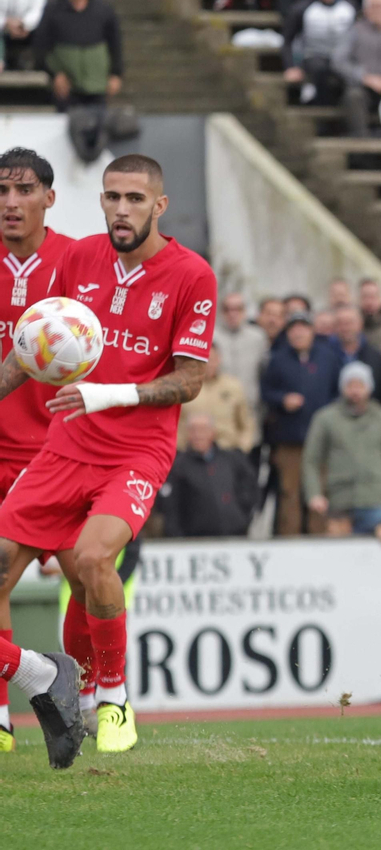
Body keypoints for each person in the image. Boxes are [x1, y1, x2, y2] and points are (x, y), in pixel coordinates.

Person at [0, 155, 216, 762]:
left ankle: (112, 695)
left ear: (159, 206)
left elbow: (191, 379)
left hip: (136, 451)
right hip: (66, 444)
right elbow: (34, 350)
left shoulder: (191, 274)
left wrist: (110, 394)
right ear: (100, 201)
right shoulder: (79, 258)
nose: (122, 209)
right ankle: (43, 677)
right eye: (112, 197)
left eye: (135, 199)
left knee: (94, 558)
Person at [0, 149, 73, 752]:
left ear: (49, 197)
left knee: (91, 576)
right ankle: (4, 712)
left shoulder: (77, 262)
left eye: (22, 189)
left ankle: (102, 699)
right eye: (1, 190)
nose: (9, 201)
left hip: (55, 451)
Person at [302, 361, 381, 537]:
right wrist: (314, 493)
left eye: (360, 385)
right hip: (338, 501)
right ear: (342, 388)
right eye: (350, 385)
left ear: (369, 388)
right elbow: (311, 460)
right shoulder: (325, 418)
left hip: (375, 500)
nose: (355, 391)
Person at [35, 0, 123, 161]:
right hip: (67, 91)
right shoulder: (53, 10)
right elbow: (40, 47)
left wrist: (116, 74)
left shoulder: (104, 11)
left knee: (97, 132)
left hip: (97, 88)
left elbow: (115, 45)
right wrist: (54, 74)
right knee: (66, 137)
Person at [262, 311, 341, 535]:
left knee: (319, 493)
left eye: (303, 327)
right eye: (293, 328)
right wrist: (282, 399)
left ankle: (320, 539)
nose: (298, 332)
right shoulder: (277, 359)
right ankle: (290, 541)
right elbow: (266, 392)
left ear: (312, 331)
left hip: (323, 441)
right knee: (290, 494)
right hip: (289, 440)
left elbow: (338, 392)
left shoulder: (328, 357)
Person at [160, 413, 258, 538]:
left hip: (235, 536)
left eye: (203, 430)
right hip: (195, 540)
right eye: (193, 430)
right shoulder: (178, 466)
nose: (198, 435)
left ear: (213, 432)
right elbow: (170, 508)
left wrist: (242, 517)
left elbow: (251, 488)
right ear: (188, 434)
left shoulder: (232, 459)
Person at [180, 352, 258, 452]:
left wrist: (242, 449)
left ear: (219, 360)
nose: (208, 364)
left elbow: (246, 422)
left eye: (211, 360)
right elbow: (176, 424)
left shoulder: (233, 386)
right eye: (204, 360)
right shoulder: (185, 387)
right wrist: (179, 450)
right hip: (190, 454)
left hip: (228, 451)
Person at [212, 292, 268, 408]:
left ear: (245, 311)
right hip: (218, 405)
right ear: (221, 312)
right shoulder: (212, 336)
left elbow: (264, 371)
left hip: (250, 404)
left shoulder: (258, 337)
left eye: (238, 309)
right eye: (227, 309)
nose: (232, 314)